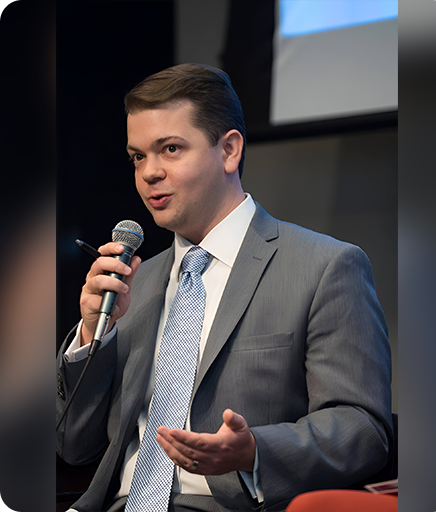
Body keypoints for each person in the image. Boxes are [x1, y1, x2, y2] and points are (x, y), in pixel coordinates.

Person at [56, 63, 394, 512]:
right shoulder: (134, 282)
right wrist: (89, 334)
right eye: (138, 156)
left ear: (229, 150)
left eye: (170, 149)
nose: (149, 173)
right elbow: (73, 446)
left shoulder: (325, 266)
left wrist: (254, 451)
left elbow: (363, 429)